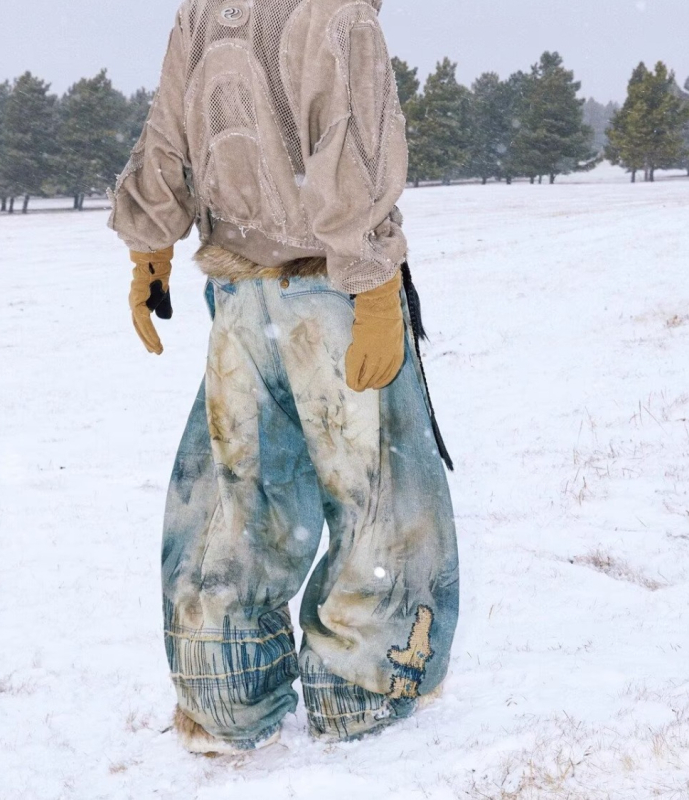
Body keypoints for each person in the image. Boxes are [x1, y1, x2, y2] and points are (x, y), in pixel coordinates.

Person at [108, 0, 458, 754]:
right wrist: (373, 292)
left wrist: (150, 252)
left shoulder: (205, 12)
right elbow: (354, 154)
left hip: (242, 301)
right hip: (331, 295)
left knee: (239, 496)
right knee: (380, 500)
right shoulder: (338, 15)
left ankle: (222, 691)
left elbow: (166, 132)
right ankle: (362, 692)